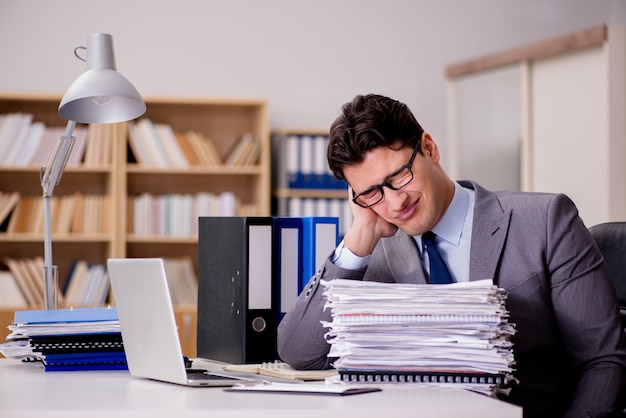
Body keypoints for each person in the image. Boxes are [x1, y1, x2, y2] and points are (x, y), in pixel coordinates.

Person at [277, 94, 626, 417]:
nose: (395, 203)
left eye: (399, 176)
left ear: (429, 148)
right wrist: (359, 238)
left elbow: (602, 362)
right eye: (371, 192)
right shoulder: (377, 250)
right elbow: (300, 353)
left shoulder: (546, 220)